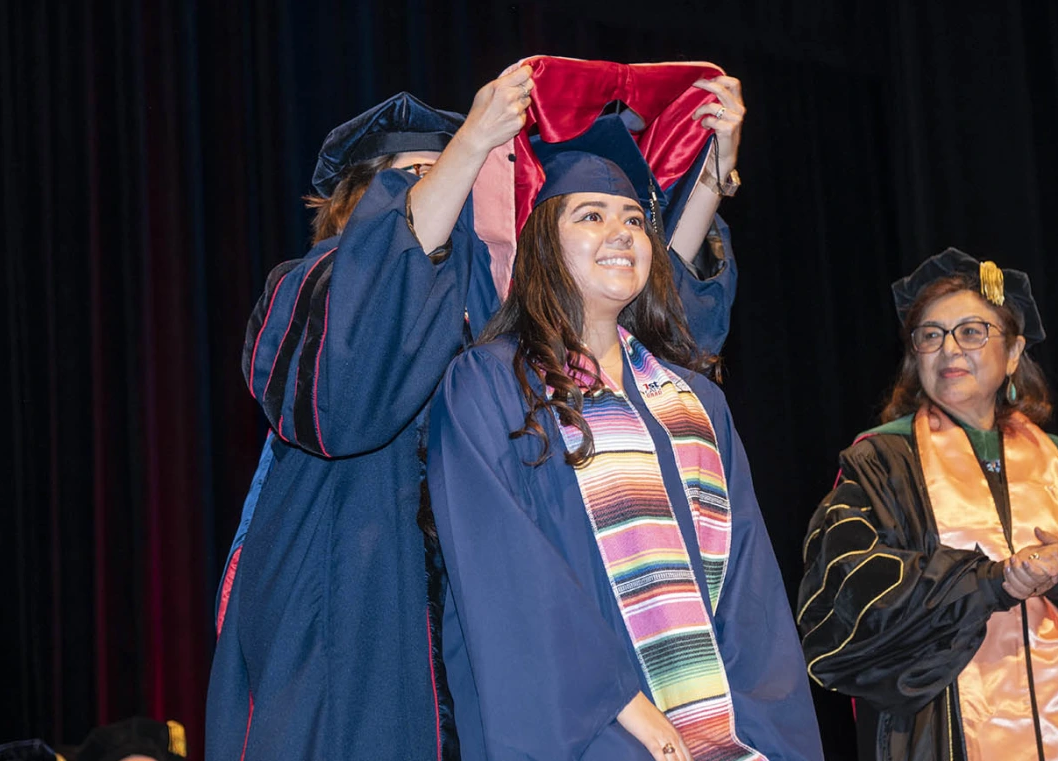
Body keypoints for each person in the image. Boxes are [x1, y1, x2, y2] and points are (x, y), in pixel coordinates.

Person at [207, 61, 745, 760]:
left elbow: (636, 329)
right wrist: (470, 145)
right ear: (353, 203)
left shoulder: (490, 332)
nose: (441, 188)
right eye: (411, 174)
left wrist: (710, 174)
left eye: (449, 172)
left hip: (477, 630)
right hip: (349, 613)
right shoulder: (309, 293)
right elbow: (347, 394)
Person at [427, 123, 824, 760]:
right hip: (592, 728)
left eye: (636, 221)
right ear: (541, 245)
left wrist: (764, 730)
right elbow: (504, 574)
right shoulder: (490, 386)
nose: (623, 234)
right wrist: (613, 700)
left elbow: (749, 584)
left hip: (723, 733)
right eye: (591, 215)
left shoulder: (695, 402)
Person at [796, 248, 1058, 760]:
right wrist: (988, 584)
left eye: (971, 332)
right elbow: (845, 601)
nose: (949, 350)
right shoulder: (879, 466)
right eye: (930, 335)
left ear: (1013, 353)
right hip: (938, 738)